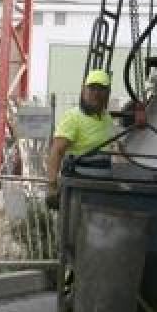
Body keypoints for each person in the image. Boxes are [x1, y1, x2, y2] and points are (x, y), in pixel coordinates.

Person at [45, 69, 116, 210]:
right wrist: (52, 186)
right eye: (92, 88)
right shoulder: (73, 118)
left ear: (107, 94)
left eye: (101, 89)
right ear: (84, 90)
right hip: (77, 191)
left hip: (100, 192)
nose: (96, 94)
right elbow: (56, 152)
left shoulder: (107, 118)